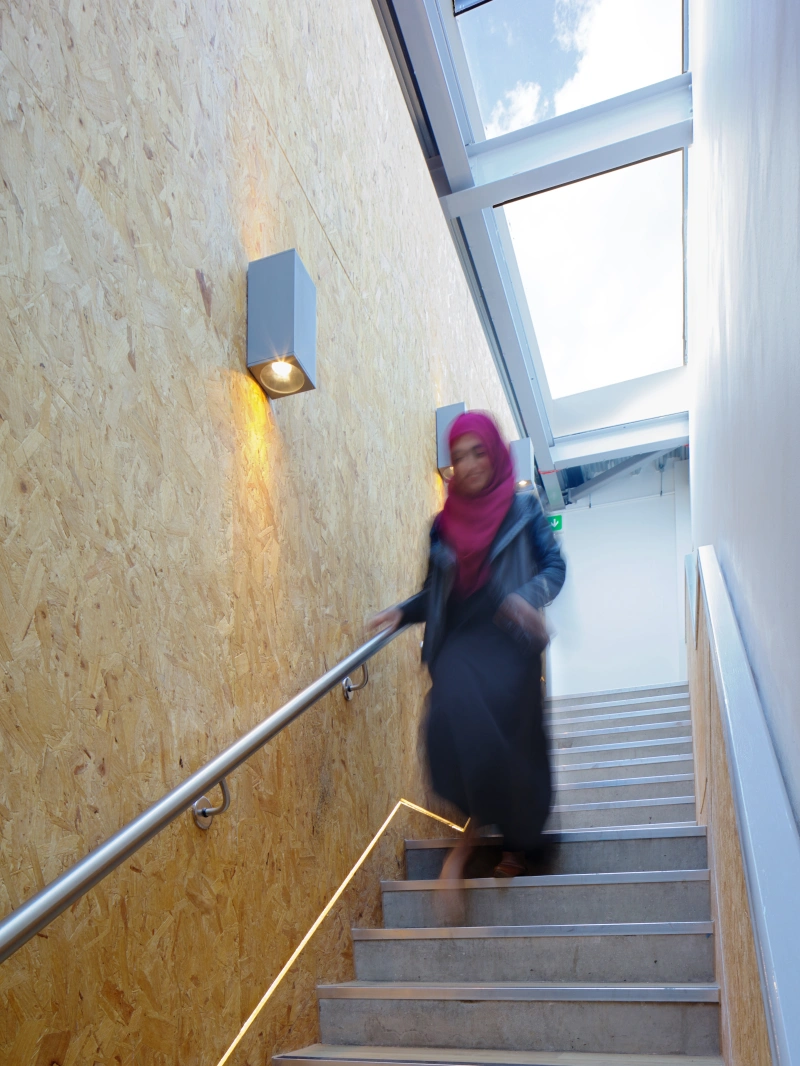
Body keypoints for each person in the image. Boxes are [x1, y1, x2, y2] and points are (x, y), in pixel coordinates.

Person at [371, 412, 566, 881]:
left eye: (479, 452)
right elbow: (433, 591)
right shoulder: (442, 526)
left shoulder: (524, 508)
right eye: (459, 456)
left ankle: (517, 847)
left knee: (517, 741)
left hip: (510, 638)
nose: (471, 464)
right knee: (448, 720)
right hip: (460, 640)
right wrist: (402, 612)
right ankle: (477, 825)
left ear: (496, 451)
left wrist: (526, 598)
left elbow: (554, 568)